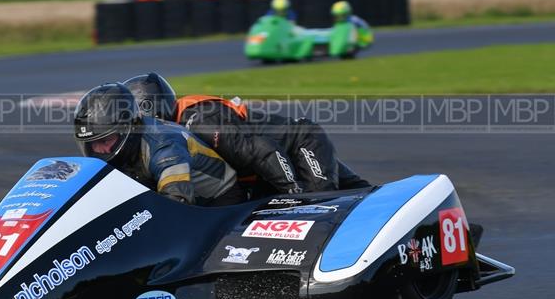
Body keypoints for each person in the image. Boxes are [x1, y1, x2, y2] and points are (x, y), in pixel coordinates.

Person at [122, 73, 371, 194]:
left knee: (323, 205)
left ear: (150, 107)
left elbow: (264, 150)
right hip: (268, 169)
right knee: (361, 191)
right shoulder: (172, 134)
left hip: (298, 145)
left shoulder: (201, 121)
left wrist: (295, 191)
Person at [73, 83, 245, 206]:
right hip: (160, 188)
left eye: (105, 140)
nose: (101, 150)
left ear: (128, 129)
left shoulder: (165, 146)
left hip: (219, 200)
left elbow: (177, 204)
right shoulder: (128, 144)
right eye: (93, 144)